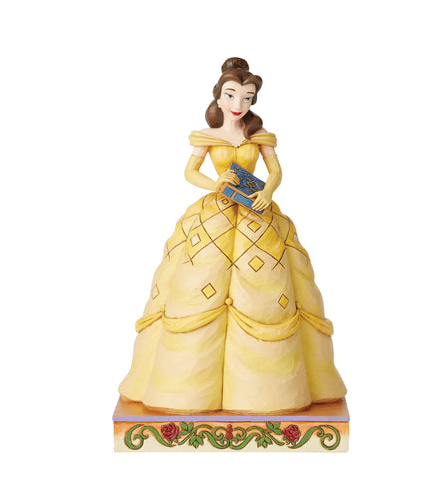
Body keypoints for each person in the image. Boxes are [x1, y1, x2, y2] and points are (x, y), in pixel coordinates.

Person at [119, 57, 347, 413]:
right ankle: (187, 390)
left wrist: (268, 191)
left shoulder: (258, 135)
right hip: (218, 213)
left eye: (247, 97)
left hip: (257, 211)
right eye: (231, 95)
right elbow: (190, 171)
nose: (239, 104)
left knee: (269, 285)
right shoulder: (208, 136)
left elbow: (275, 170)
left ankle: (270, 392)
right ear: (218, 97)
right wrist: (215, 184)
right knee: (198, 281)